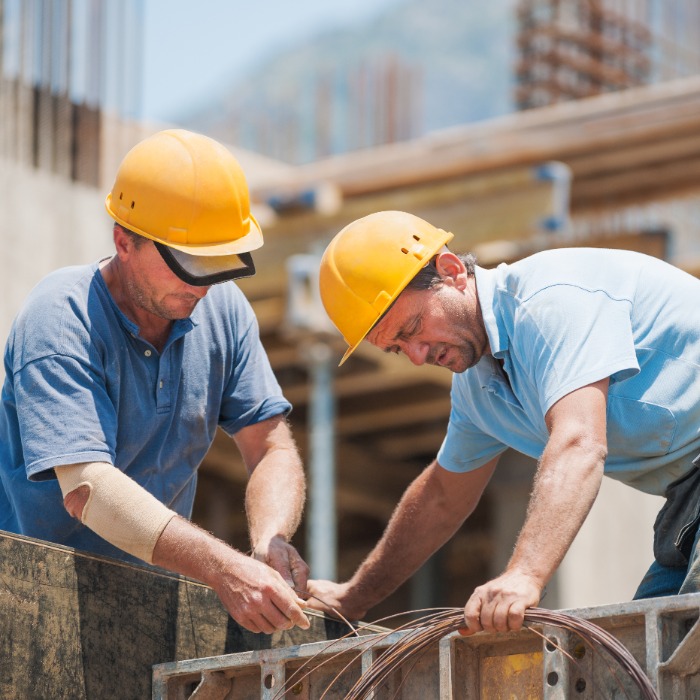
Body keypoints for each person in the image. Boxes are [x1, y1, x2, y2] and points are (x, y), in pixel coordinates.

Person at [306, 209, 700, 635]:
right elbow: (442, 497)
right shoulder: (479, 390)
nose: (418, 356)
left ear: (451, 270)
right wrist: (354, 597)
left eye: (414, 327)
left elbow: (578, 443)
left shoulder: (550, 300)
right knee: (648, 660)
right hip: (688, 504)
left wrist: (525, 574)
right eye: (398, 348)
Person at [0, 129, 310, 635]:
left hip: (147, 603)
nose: (201, 285)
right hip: (30, 603)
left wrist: (269, 543)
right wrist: (225, 568)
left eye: (217, 263)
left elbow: (271, 446)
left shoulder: (223, 310)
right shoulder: (60, 319)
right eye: (188, 263)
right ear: (124, 241)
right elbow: (87, 489)